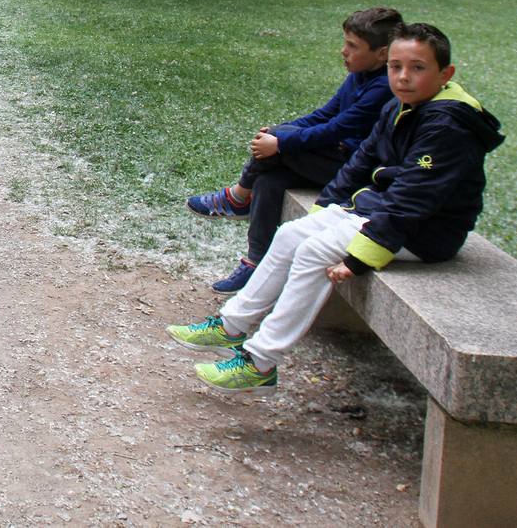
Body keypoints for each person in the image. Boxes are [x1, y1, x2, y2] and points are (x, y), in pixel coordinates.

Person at [167, 23, 504, 394]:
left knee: (313, 251)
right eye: (396, 67)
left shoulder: (448, 126)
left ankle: (260, 362)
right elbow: (362, 160)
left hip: (423, 232)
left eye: (418, 67)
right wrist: (326, 208)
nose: (404, 76)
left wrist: (360, 258)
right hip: (379, 212)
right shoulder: (399, 106)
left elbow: (414, 199)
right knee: (292, 233)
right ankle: (231, 325)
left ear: (446, 74)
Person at [187, 8, 403, 294]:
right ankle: (256, 263)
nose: (343, 51)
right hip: (331, 158)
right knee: (268, 180)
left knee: (277, 145)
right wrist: (279, 131)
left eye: (352, 46)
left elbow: (337, 128)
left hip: (354, 173)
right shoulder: (359, 76)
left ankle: (238, 198)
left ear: (382, 53)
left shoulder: (383, 88)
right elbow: (323, 114)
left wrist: (281, 141)